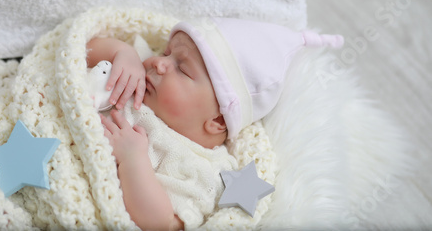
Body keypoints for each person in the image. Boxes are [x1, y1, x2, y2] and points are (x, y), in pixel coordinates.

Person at [86, 17, 343, 231]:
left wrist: (133, 160)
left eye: (182, 69)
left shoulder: (203, 169)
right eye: (166, 52)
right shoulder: (140, 74)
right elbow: (84, 49)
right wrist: (123, 53)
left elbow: (160, 223)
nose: (160, 63)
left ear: (218, 120)